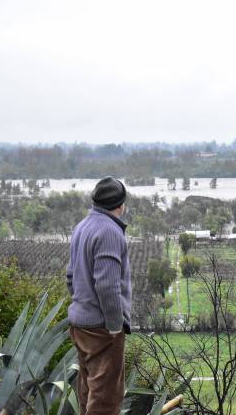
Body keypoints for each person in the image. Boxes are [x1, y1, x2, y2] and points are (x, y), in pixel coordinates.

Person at [66, 176, 131, 415]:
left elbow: (71, 276)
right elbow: (107, 285)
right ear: (120, 205)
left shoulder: (82, 226)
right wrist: (114, 326)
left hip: (80, 324)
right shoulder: (109, 231)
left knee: (88, 392)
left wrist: (83, 304)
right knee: (106, 399)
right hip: (102, 328)